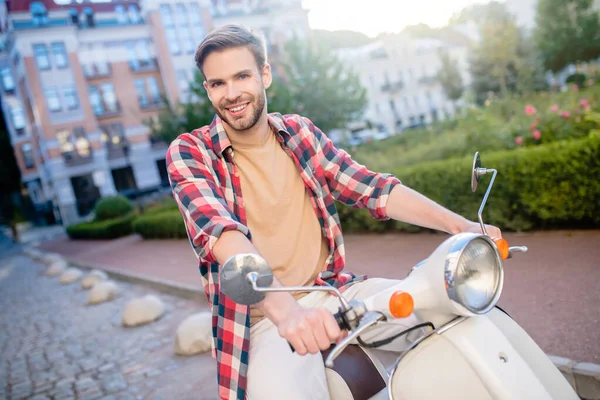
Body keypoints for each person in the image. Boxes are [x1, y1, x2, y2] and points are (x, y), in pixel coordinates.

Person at [166, 24, 502, 400]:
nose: (231, 94)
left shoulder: (299, 132)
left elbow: (371, 188)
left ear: (265, 75)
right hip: (262, 320)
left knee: (460, 311)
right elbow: (221, 235)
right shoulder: (190, 152)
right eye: (217, 83)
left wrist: (462, 226)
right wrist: (287, 312)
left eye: (242, 76)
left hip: (336, 293)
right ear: (208, 89)